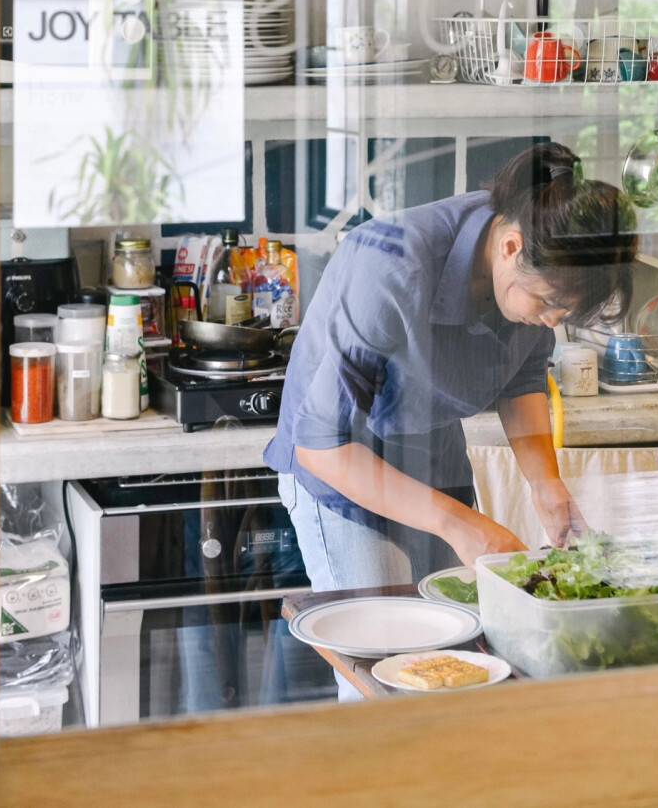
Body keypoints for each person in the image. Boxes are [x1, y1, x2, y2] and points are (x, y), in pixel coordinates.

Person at [264, 142, 637, 664]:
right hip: (343, 467)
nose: (553, 321)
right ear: (510, 247)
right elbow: (321, 446)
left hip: (433, 453)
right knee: (387, 664)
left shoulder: (529, 268)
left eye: (564, 312)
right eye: (550, 303)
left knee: (456, 653)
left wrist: (545, 484)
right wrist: (460, 523)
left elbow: (522, 378)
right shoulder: (392, 265)